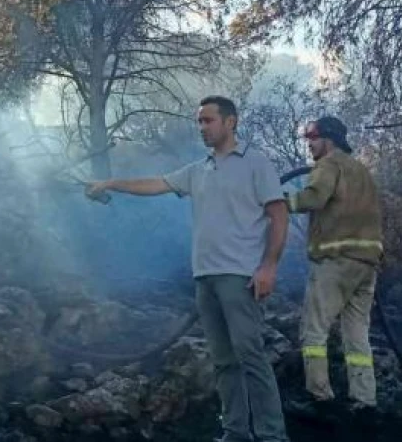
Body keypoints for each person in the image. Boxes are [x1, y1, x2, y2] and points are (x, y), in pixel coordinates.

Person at [86, 96, 291, 442]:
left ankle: (272, 436)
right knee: (224, 361)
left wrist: (269, 266)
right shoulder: (199, 169)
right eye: (199, 122)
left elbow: (279, 215)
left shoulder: (256, 163)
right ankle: (236, 432)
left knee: (250, 356)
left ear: (231, 122)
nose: (202, 128)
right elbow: (155, 184)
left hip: (240, 276)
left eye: (208, 121)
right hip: (205, 277)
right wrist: (109, 183)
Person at [285, 117, 384, 418]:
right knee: (357, 333)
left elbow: (315, 198)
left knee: (313, 331)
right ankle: (364, 400)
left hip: (335, 259)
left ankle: (320, 398)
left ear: (328, 139)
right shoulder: (362, 171)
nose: (310, 144)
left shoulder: (328, 164)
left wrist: (278, 201)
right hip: (366, 263)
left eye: (313, 138)